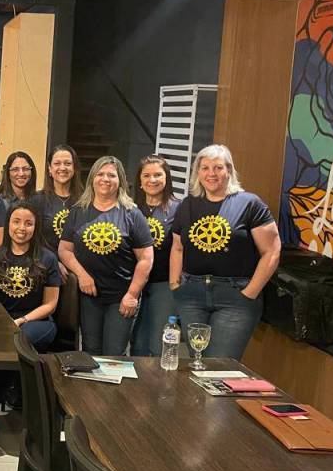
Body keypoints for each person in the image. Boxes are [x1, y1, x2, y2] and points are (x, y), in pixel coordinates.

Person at [170, 144, 281, 359]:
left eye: (218, 167)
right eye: (205, 168)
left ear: (229, 170)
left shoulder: (249, 204)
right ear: (198, 173)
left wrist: (250, 292)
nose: (211, 173)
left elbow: (272, 251)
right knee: (197, 361)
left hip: (235, 296)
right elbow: (177, 247)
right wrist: (175, 284)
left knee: (220, 365)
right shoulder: (188, 205)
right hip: (192, 294)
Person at [0, 201, 60, 448]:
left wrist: (21, 320)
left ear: (36, 227)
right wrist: (3, 323)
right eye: (16, 222)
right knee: (9, 339)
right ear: (8, 224)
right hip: (3, 322)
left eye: (28, 223)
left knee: (16, 340)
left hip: (37, 321)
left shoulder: (47, 258)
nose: (22, 228)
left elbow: (50, 304)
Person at [58, 156, 153, 356]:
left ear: (120, 181)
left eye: (111, 175)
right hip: (89, 296)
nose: (105, 179)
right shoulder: (78, 211)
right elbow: (64, 250)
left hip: (121, 296)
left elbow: (146, 258)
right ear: (92, 178)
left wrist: (132, 294)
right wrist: (82, 275)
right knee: (90, 350)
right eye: (100, 174)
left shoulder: (132, 214)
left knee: (114, 353)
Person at [131, 155, 183, 357]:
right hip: (133, 283)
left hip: (164, 284)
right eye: (146, 175)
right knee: (137, 342)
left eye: (157, 175)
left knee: (157, 342)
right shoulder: (131, 208)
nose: (152, 180)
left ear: (167, 178)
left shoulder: (179, 208)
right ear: (140, 180)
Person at [30, 144, 82, 252]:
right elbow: (32, 239)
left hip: (77, 261)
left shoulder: (85, 200)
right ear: (49, 168)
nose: (62, 168)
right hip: (46, 261)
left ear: (74, 168)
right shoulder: (37, 200)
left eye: (67, 163)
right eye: (57, 163)